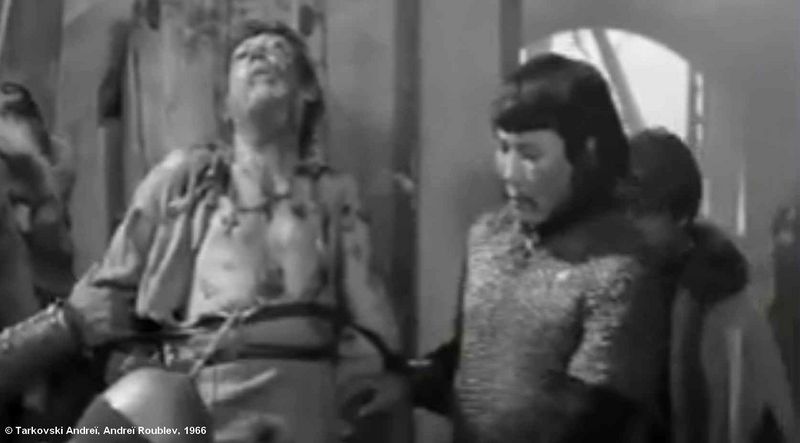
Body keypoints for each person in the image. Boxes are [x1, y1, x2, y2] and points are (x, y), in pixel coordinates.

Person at [0, 20, 401, 443]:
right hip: (200, 396)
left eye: (276, 52)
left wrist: (378, 368)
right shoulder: (183, 181)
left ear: (308, 91)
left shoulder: (333, 194)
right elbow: (105, 298)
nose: (258, 55)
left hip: (304, 398)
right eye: (244, 56)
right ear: (225, 105)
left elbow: (369, 310)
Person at [343, 53, 674, 442]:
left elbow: (594, 420)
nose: (509, 173)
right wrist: (409, 382)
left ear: (588, 152)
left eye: (530, 155)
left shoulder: (623, 267)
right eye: (503, 148)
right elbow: (477, 363)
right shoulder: (490, 237)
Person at [626, 128, 796, 443]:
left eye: (639, 211)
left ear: (679, 215)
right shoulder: (607, 287)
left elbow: (769, 420)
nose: (625, 226)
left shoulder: (728, 307)